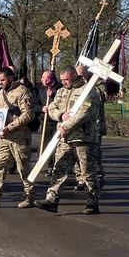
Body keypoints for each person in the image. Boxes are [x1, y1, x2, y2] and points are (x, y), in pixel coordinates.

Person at [36, 67, 102, 214]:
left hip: (83, 138)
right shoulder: (61, 91)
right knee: (59, 169)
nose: (64, 82)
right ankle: (52, 199)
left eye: (67, 79)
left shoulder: (88, 91)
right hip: (64, 139)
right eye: (62, 80)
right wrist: (60, 116)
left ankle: (92, 201)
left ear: (74, 75)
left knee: (87, 172)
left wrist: (66, 126)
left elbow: (84, 113)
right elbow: (51, 108)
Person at [0, 67, 38, 208]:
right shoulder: (0, 93)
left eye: (3, 80)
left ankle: (29, 196)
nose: (0, 83)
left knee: (23, 169)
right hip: (4, 137)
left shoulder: (22, 92)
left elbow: (29, 115)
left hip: (19, 137)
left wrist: (10, 127)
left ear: (11, 77)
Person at [74, 64, 107, 190]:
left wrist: (90, 84)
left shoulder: (98, 83)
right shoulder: (76, 84)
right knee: (77, 154)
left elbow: (102, 96)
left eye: (81, 75)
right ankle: (80, 179)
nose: (79, 77)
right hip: (78, 125)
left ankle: (97, 178)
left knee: (93, 155)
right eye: (78, 75)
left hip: (94, 125)